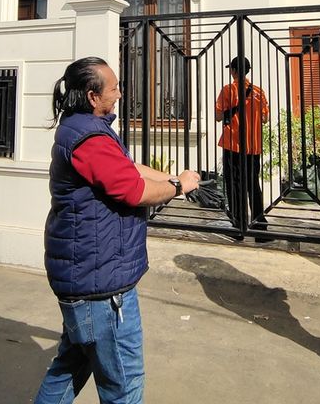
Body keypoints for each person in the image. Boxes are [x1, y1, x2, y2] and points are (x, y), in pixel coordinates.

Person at [36, 57, 200, 403]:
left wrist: (173, 179)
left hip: (89, 276)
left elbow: (127, 167)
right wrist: (179, 187)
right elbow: (133, 190)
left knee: (70, 366)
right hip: (102, 285)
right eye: (114, 88)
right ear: (93, 96)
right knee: (123, 385)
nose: (121, 94)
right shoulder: (88, 138)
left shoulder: (85, 127)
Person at [215, 56, 270, 239]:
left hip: (233, 144)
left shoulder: (228, 90)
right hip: (253, 146)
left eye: (231, 69)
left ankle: (238, 227)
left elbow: (217, 116)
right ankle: (260, 227)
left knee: (234, 185)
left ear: (234, 71)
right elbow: (265, 118)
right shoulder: (258, 92)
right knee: (253, 185)